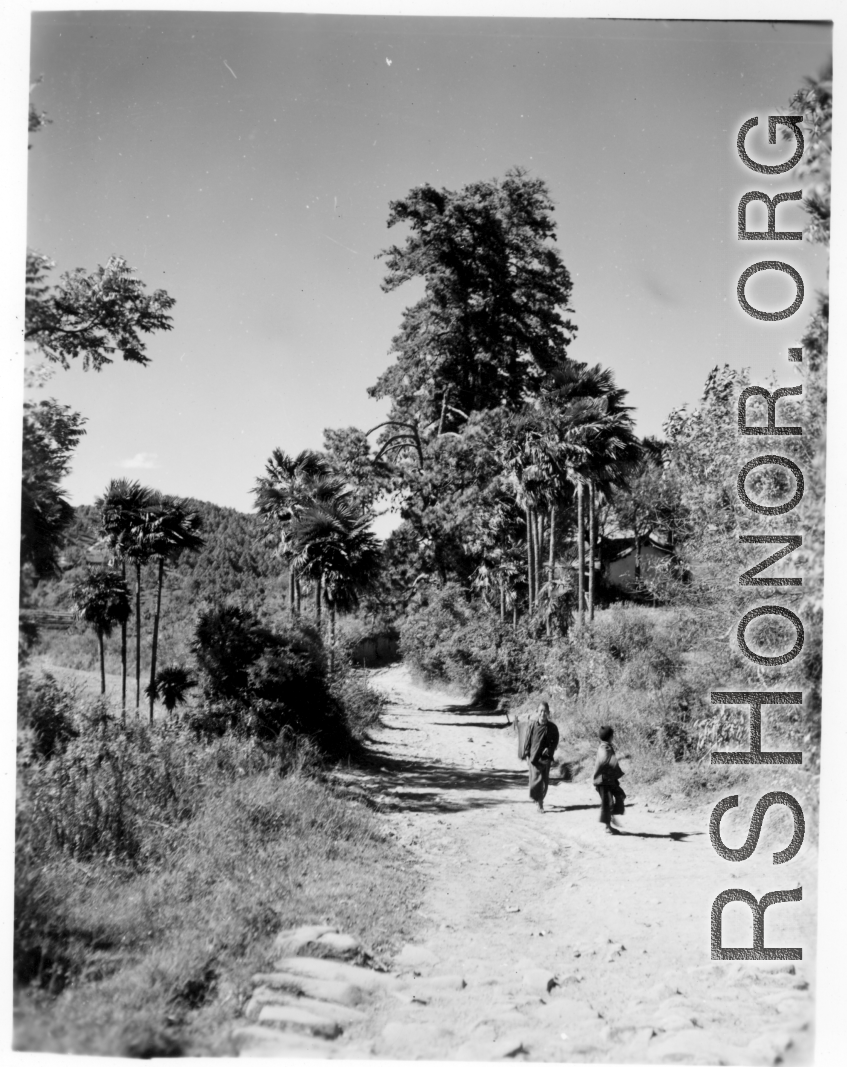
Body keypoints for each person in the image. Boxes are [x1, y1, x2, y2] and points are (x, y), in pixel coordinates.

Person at [525, 701, 559, 813]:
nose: (543, 713)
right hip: (534, 757)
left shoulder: (552, 728)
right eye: (541, 711)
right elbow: (527, 741)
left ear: (548, 712)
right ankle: (539, 801)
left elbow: (555, 741)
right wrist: (526, 755)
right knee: (535, 781)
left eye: (545, 711)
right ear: (537, 712)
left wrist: (550, 748)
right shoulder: (532, 725)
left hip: (546, 758)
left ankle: (540, 801)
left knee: (544, 781)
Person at [593, 725, 626, 834]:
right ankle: (608, 826)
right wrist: (613, 762)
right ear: (611, 737)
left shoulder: (605, 746)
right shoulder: (604, 748)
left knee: (620, 794)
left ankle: (611, 816)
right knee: (607, 803)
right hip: (602, 780)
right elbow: (604, 759)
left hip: (607, 780)